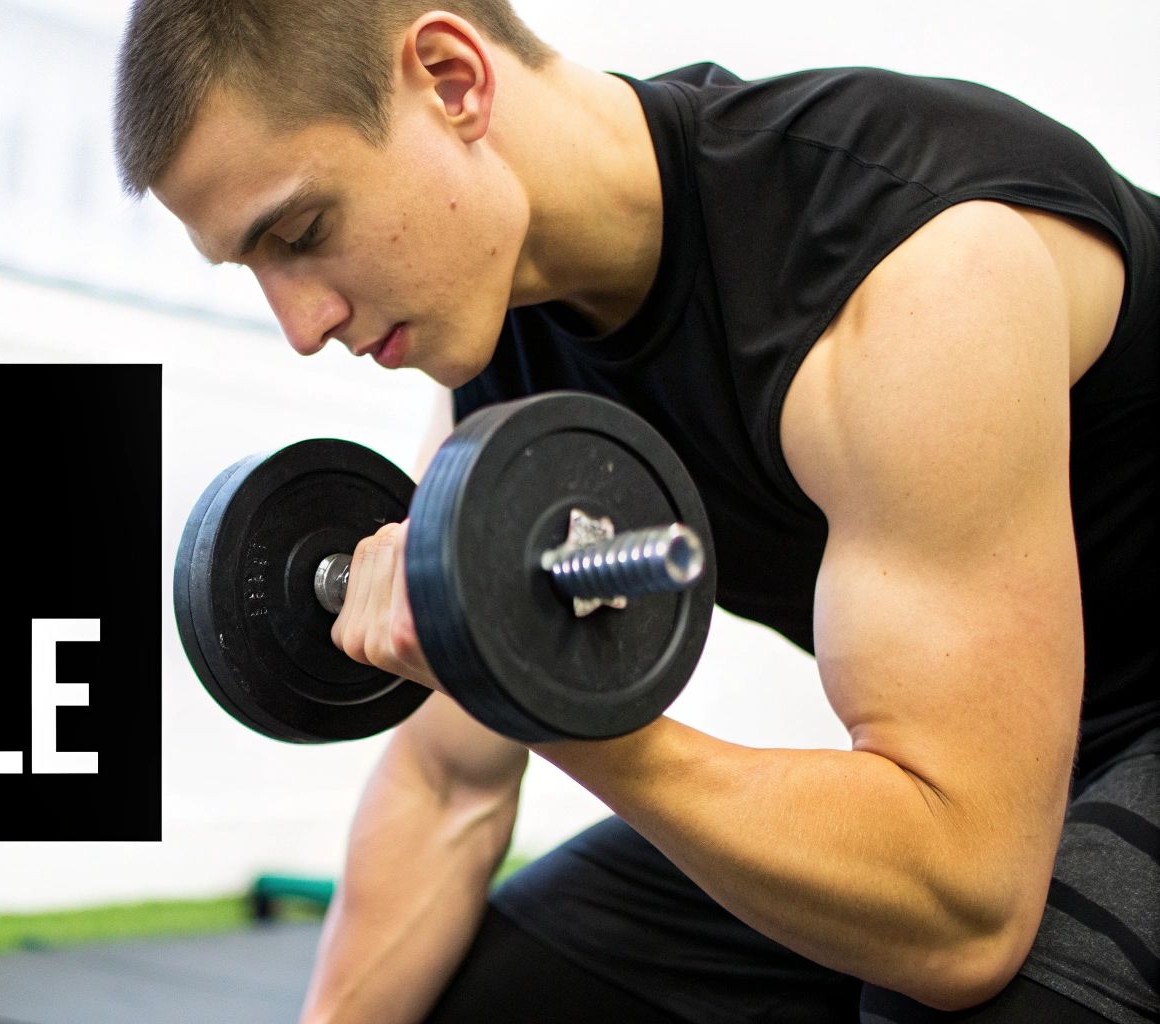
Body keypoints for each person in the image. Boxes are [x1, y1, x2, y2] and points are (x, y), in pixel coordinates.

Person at [113, 2, 1159, 1020]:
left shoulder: (912, 271)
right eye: (253, 266)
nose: (300, 324)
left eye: (301, 230)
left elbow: (963, 913)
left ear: (450, 80)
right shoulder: (502, 373)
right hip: (1006, 774)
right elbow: (445, 789)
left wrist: (546, 699)